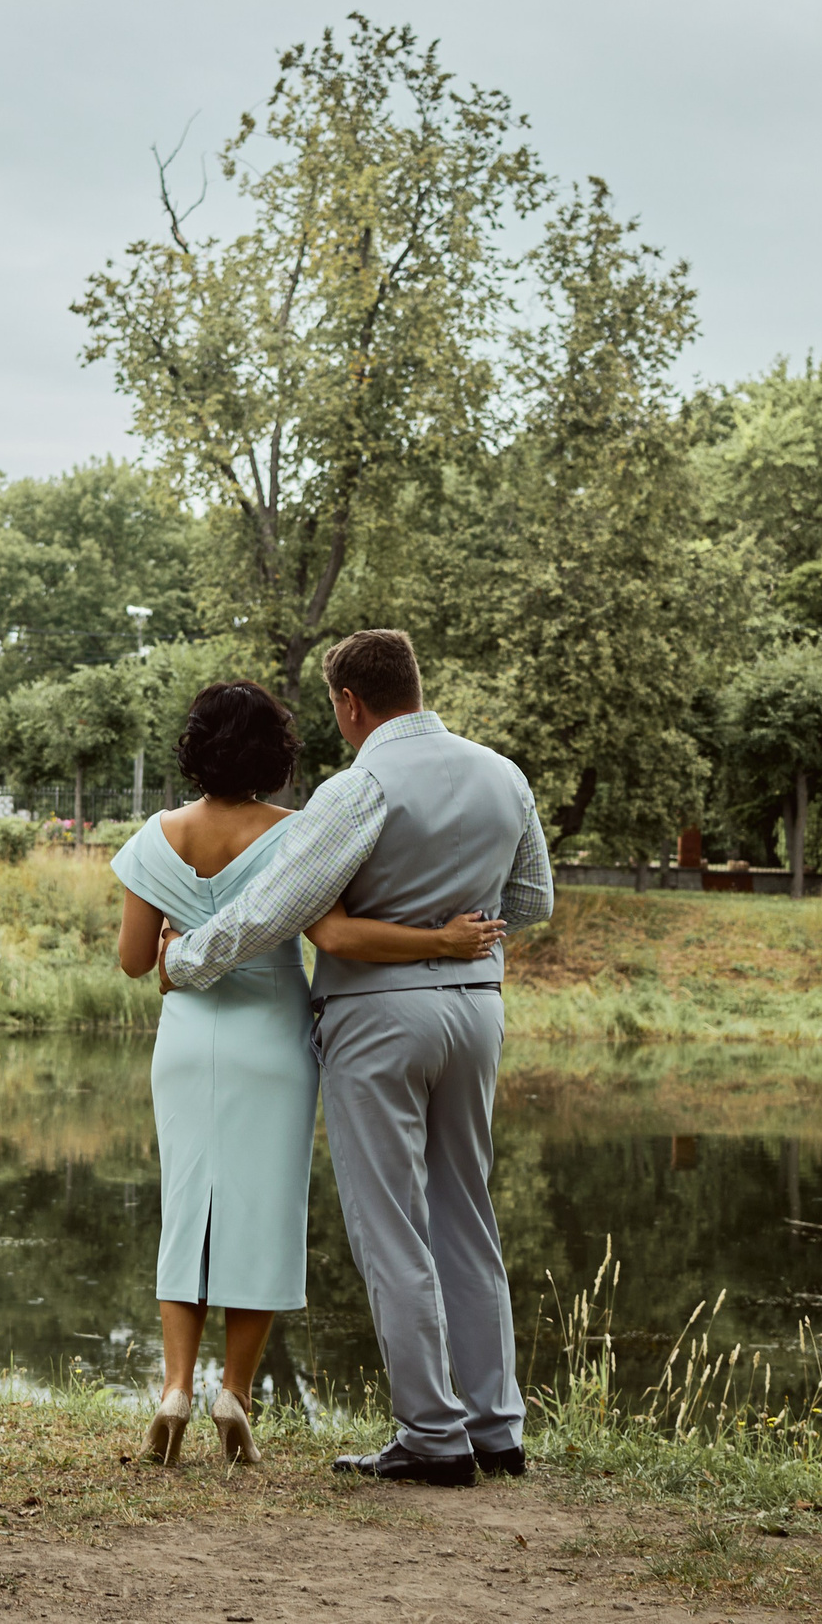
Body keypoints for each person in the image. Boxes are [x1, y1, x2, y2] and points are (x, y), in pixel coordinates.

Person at [158, 631, 553, 1487]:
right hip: (477, 1012)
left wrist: (184, 959)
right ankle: (497, 1427)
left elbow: (278, 906)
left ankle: (433, 1434)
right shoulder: (503, 774)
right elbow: (532, 897)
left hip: (380, 1018)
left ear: (349, 703)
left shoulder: (361, 784)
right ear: (415, 682)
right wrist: (461, 940)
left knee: (392, 1226)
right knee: (468, 1217)